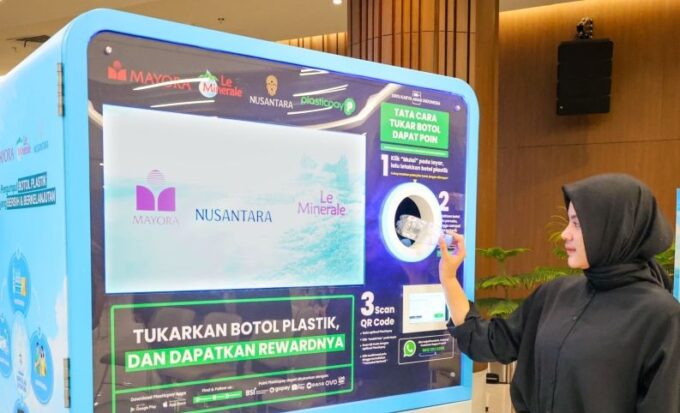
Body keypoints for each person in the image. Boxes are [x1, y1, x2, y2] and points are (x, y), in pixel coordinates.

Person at [438, 173, 680, 413]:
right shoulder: (556, 294)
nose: (565, 233)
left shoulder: (661, 316)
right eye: (568, 221)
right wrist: (448, 278)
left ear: (614, 229)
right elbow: (491, 342)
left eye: (577, 223)